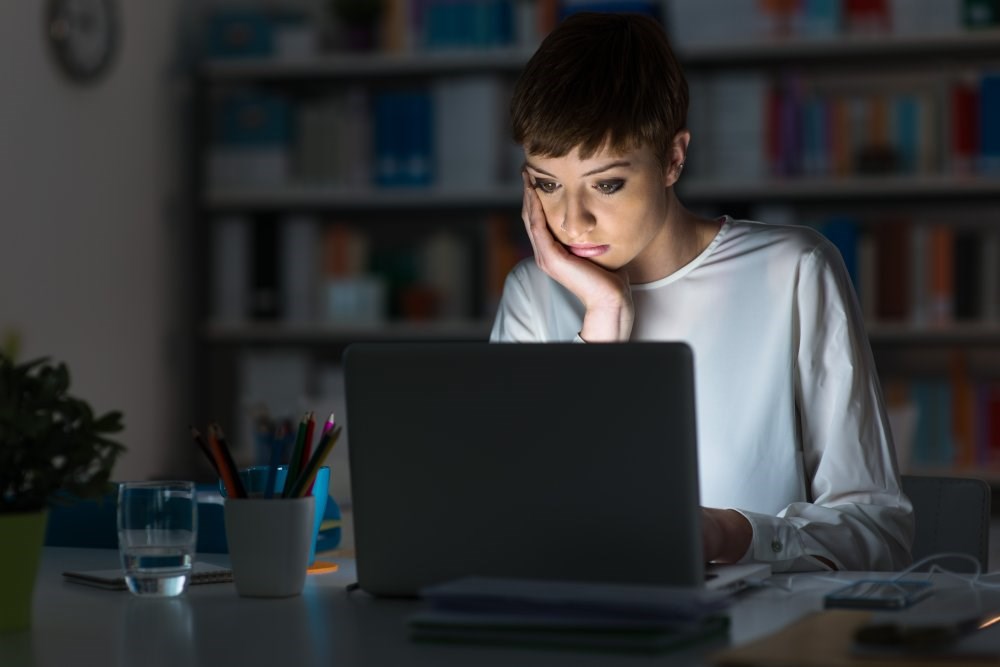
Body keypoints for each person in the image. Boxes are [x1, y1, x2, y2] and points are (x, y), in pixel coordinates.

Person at [490, 11, 913, 572]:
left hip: (760, 639)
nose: (572, 221)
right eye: (547, 185)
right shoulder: (533, 294)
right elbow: (512, 520)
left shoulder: (796, 271)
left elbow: (879, 533)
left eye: (607, 184)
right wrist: (603, 320)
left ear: (673, 158)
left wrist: (732, 535)